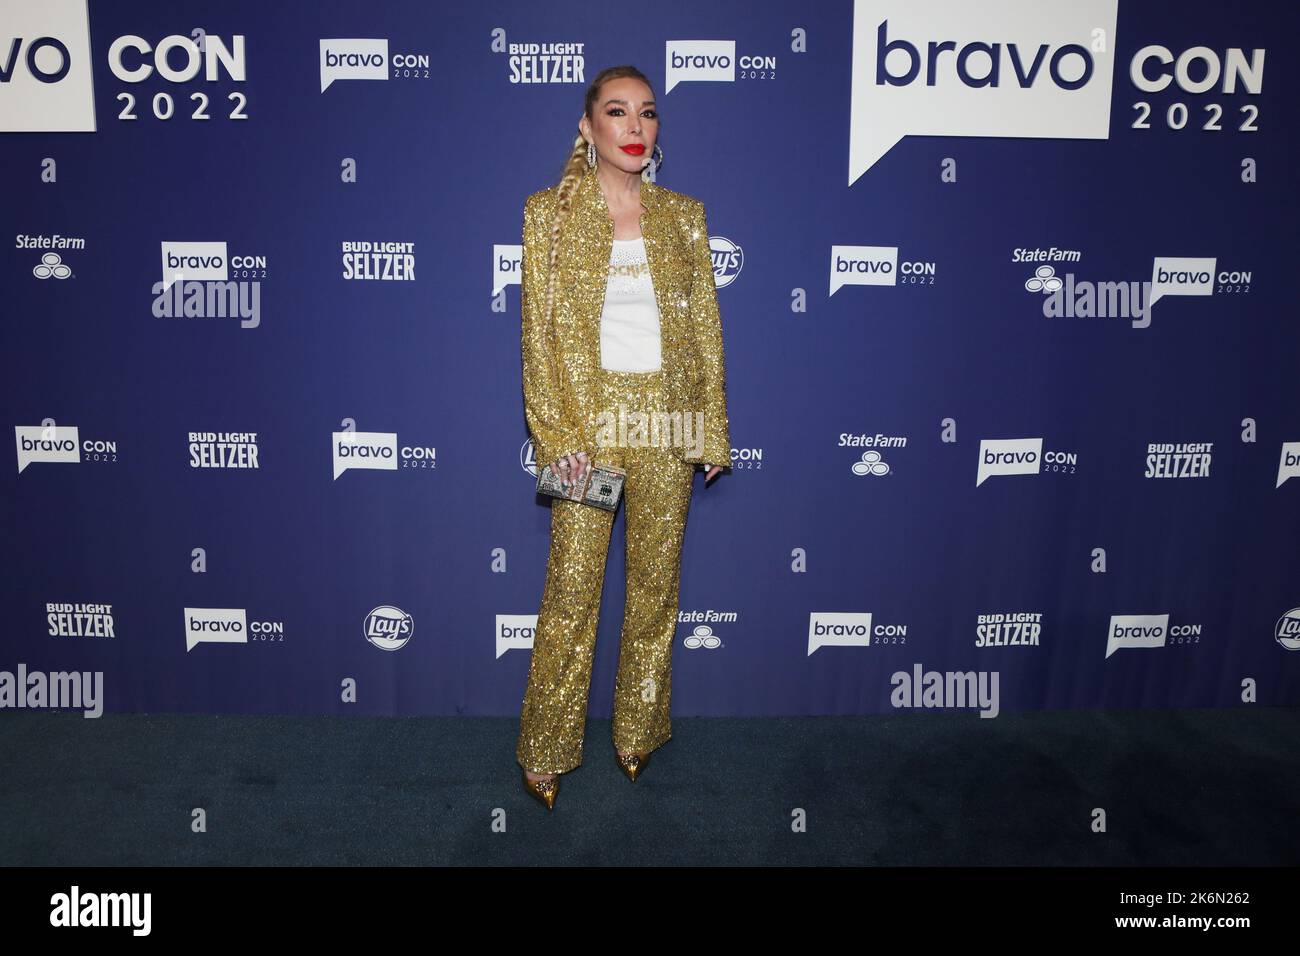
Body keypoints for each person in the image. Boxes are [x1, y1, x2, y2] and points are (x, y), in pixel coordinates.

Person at [515, 65, 732, 809]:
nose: (635, 127)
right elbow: (538, 338)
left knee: (655, 591)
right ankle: (544, 747)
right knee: (571, 594)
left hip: (668, 425)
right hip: (588, 424)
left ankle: (638, 731)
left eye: (647, 113)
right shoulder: (547, 214)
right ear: (587, 127)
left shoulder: (685, 216)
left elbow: (705, 330)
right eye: (617, 112)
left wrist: (710, 433)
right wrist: (558, 435)